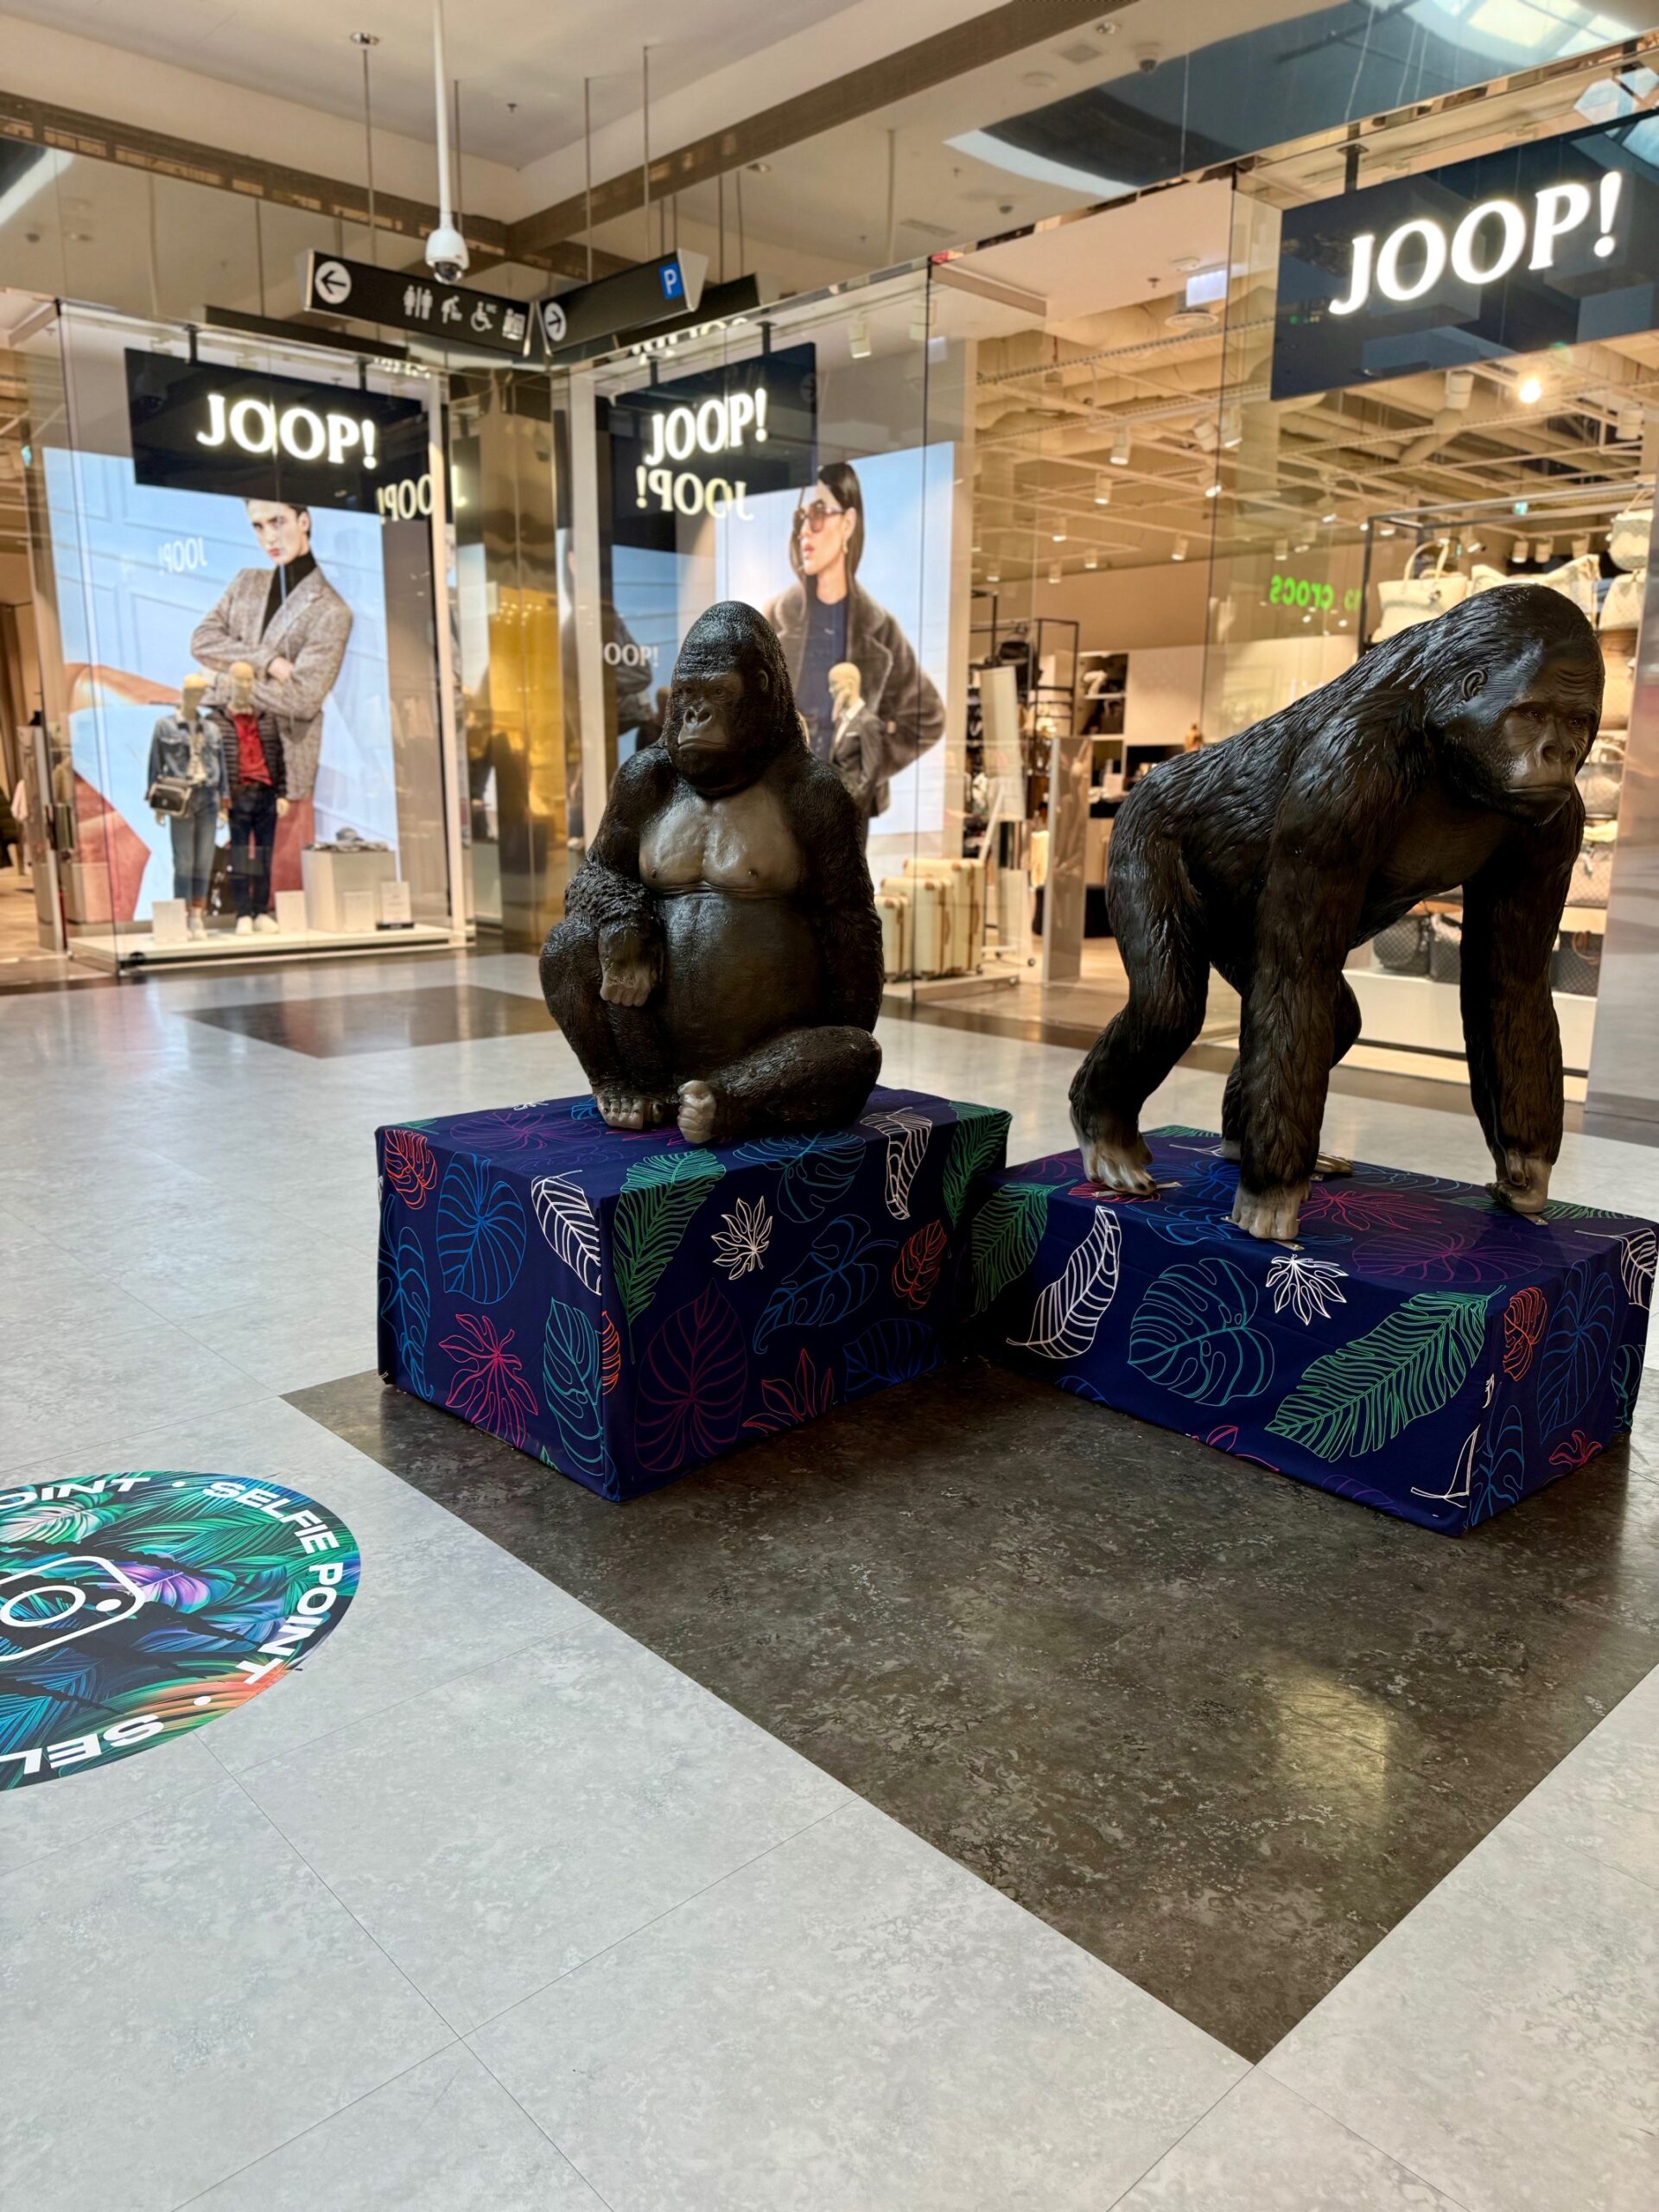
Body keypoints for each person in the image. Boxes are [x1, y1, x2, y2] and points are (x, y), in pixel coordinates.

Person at [764, 462, 944, 827]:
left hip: (846, 810)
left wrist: (863, 774)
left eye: (818, 513)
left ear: (847, 523)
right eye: (801, 517)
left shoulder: (880, 628)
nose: (805, 530)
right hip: (783, 804)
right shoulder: (775, 617)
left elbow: (927, 718)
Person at [190, 499, 352, 887]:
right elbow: (202, 641)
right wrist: (269, 661)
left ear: (304, 521)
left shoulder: (331, 610)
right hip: (228, 759)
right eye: (258, 526)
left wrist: (219, 683)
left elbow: (302, 699)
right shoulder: (247, 582)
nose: (268, 537)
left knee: (281, 886)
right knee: (227, 878)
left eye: (277, 522)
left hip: (283, 767)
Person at [207, 660, 288, 935]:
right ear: (229, 682)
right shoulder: (216, 721)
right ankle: (243, 912)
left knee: (264, 855)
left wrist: (282, 793)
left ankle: (261, 910)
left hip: (266, 793)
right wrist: (220, 800)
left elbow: (279, 758)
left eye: (249, 680)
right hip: (237, 795)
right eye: (239, 680)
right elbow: (212, 764)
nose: (244, 685)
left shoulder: (267, 718)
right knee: (239, 855)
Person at [147, 672, 224, 938]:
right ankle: (182, 912)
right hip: (181, 797)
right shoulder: (165, 726)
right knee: (184, 861)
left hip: (208, 796)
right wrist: (157, 801)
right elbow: (155, 764)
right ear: (182, 692)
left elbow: (221, 768)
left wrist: (224, 801)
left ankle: (197, 915)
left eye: (199, 692)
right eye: (190, 691)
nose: (194, 697)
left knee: (204, 860)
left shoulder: (211, 729)